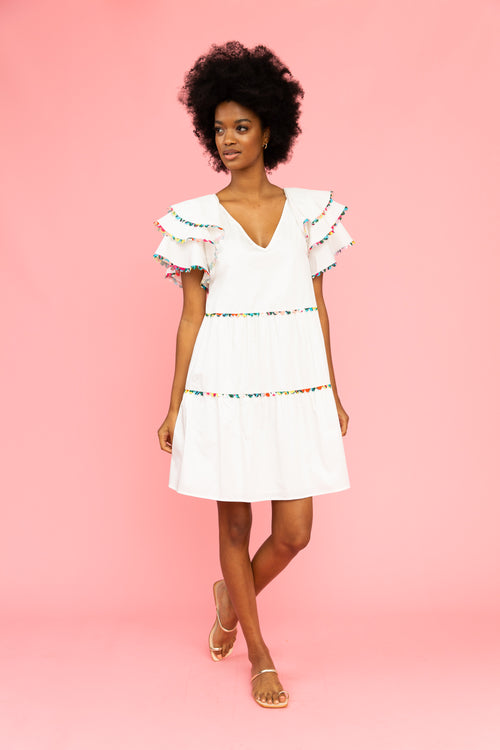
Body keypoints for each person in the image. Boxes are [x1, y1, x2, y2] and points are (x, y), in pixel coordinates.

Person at [153, 41, 354, 709]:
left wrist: (333, 394)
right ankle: (259, 654)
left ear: (270, 129)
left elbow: (318, 310)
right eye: (219, 129)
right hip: (224, 383)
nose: (229, 139)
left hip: (294, 382)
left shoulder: (309, 213)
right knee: (235, 529)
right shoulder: (197, 221)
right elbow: (190, 319)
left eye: (242, 126)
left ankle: (228, 601)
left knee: (295, 532)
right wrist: (175, 406)